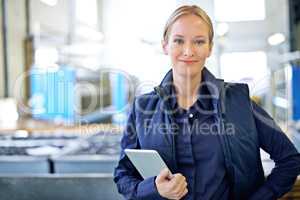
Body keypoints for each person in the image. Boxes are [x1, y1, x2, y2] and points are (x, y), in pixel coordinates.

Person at [113, 5, 300, 200]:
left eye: (199, 41)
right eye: (178, 41)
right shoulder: (142, 109)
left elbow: (289, 159)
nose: (188, 51)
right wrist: (154, 189)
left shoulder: (239, 101)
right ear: (165, 45)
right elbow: (123, 175)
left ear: (210, 48)